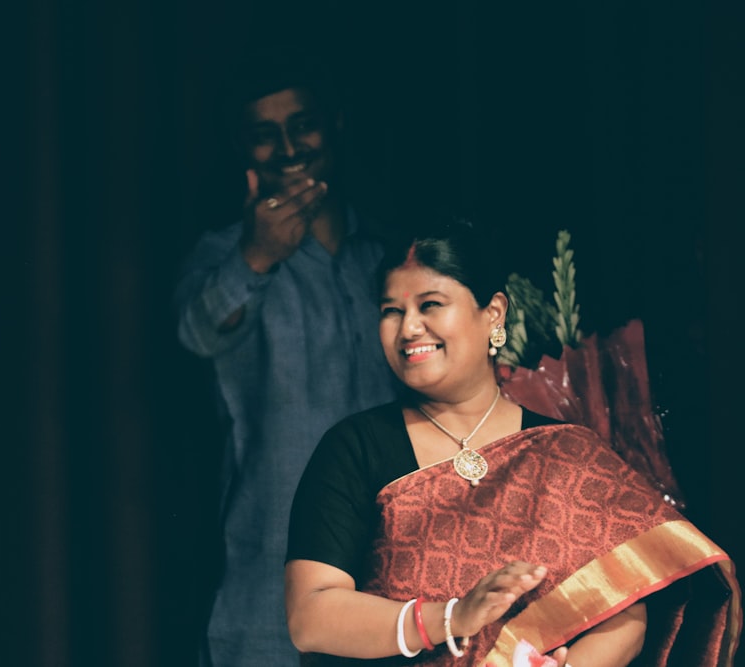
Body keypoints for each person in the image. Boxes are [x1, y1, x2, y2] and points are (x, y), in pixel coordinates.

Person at [285, 217, 741, 666]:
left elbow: (626, 610)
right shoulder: (353, 448)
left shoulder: (564, 452)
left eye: (430, 304)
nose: (408, 329)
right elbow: (311, 616)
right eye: (392, 310)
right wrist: (453, 617)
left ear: (494, 314)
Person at [173, 46, 399, 667]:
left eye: (303, 124)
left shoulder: (388, 253)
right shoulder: (222, 253)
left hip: (391, 575)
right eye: (264, 135)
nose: (290, 148)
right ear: (243, 151)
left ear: (336, 127)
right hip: (267, 572)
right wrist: (257, 255)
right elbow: (196, 332)